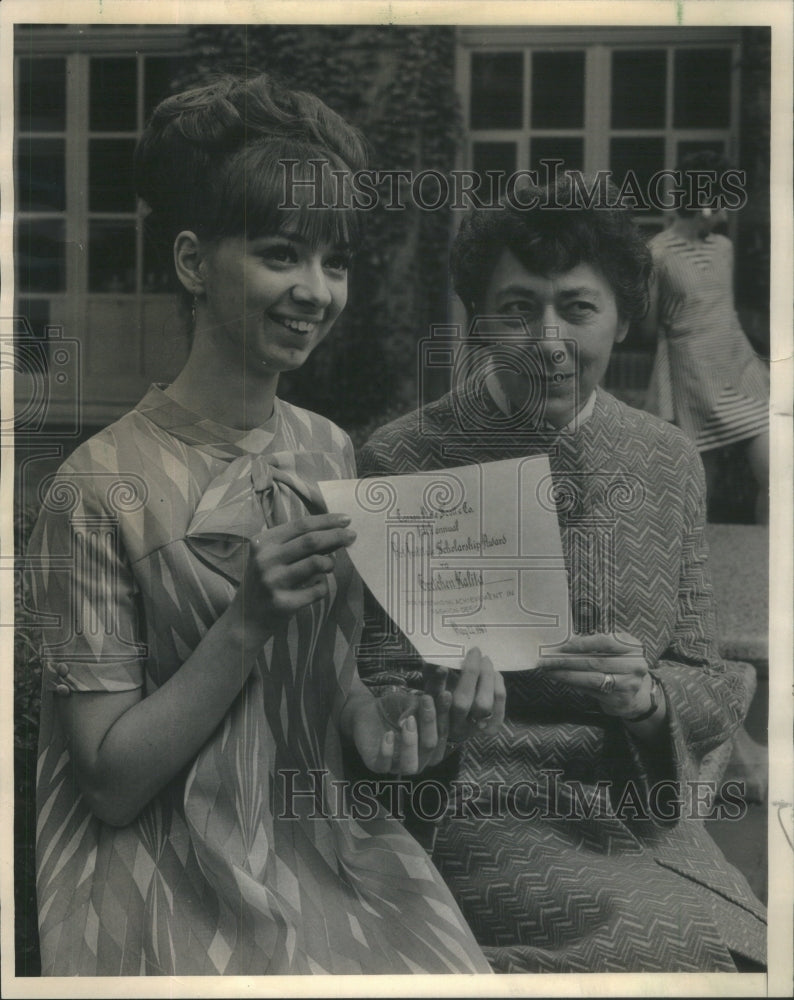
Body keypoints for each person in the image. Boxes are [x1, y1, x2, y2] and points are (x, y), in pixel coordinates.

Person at [25, 73, 501, 977]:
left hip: (319, 844)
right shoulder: (97, 486)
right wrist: (245, 623)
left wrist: (385, 726)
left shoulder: (328, 448)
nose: (316, 292)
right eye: (283, 253)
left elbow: (336, 690)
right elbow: (113, 784)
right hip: (164, 869)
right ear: (193, 263)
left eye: (336, 262)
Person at [358, 176, 767, 973]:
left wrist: (646, 699)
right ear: (478, 322)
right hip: (480, 815)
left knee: (749, 951)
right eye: (518, 308)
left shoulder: (668, 458)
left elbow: (702, 673)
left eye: (578, 308)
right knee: (683, 956)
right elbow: (376, 687)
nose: (547, 339)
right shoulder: (404, 458)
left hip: (639, 814)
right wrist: (436, 712)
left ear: (621, 320)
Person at [641, 151, 770, 524]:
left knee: (776, 477)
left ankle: (761, 571)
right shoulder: (658, 254)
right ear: (702, 200)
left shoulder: (723, 249)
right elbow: (648, 329)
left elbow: (723, 313)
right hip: (693, 379)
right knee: (699, 497)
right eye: (723, 206)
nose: (726, 217)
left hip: (740, 370)